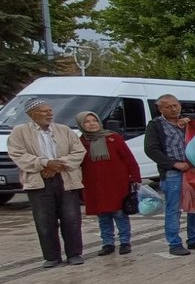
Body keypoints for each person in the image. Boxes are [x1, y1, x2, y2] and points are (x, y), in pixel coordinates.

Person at [8, 98, 86, 267]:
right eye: (44, 111)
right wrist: (44, 163)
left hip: (65, 179)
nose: (49, 114)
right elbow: (18, 155)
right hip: (38, 181)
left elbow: (79, 151)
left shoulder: (64, 130)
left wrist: (57, 165)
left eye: (50, 110)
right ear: (31, 114)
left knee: (71, 218)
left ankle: (74, 254)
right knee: (45, 221)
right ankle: (52, 257)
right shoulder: (20, 132)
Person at [144, 94, 195, 256]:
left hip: (194, 171)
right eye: (168, 107)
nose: (173, 109)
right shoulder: (156, 125)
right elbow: (151, 149)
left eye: (175, 105)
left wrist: (189, 118)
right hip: (173, 172)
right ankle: (174, 242)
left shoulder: (187, 121)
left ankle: (194, 238)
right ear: (160, 109)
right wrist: (173, 164)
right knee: (173, 209)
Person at [76, 111, 141, 256]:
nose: (92, 124)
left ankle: (125, 242)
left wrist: (136, 179)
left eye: (94, 120)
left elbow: (129, 160)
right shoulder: (80, 143)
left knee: (119, 213)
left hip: (117, 184)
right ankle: (107, 243)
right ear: (81, 124)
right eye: (87, 121)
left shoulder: (113, 138)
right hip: (95, 186)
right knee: (103, 215)